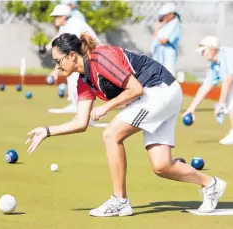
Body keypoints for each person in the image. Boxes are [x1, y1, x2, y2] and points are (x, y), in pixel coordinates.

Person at [26, 33, 226, 217]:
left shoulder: (100, 58)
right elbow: (80, 122)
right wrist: (47, 131)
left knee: (111, 134)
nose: (57, 67)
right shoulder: (83, 81)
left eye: (58, 61)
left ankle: (119, 200)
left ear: (71, 55)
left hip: (159, 90)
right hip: (157, 96)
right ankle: (211, 184)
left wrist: (106, 108)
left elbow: (136, 89)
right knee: (161, 166)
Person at [45, 4, 101, 116]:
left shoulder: (73, 25)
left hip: (96, 56)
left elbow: (69, 51)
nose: (54, 19)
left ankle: (85, 113)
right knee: (72, 76)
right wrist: (46, 47)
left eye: (56, 16)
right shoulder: (66, 26)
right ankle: (75, 106)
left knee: (77, 76)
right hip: (88, 56)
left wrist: (56, 70)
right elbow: (58, 39)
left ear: (63, 17)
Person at [183, 36, 233, 145]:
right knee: (230, 100)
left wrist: (221, 103)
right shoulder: (214, 65)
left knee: (230, 100)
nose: (202, 54)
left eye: (203, 51)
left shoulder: (227, 55)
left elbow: (228, 79)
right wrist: (191, 108)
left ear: (213, 49)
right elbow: (205, 87)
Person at [151, 3, 181, 77]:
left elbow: (163, 41)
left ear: (171, 14)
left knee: (169, 74)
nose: (163, 17)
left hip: (168, 54)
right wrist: (157, 29)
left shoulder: (175, 25)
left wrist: (157, 37)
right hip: (159, 54)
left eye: (165, 15)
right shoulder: (165, 24)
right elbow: (156, 38)